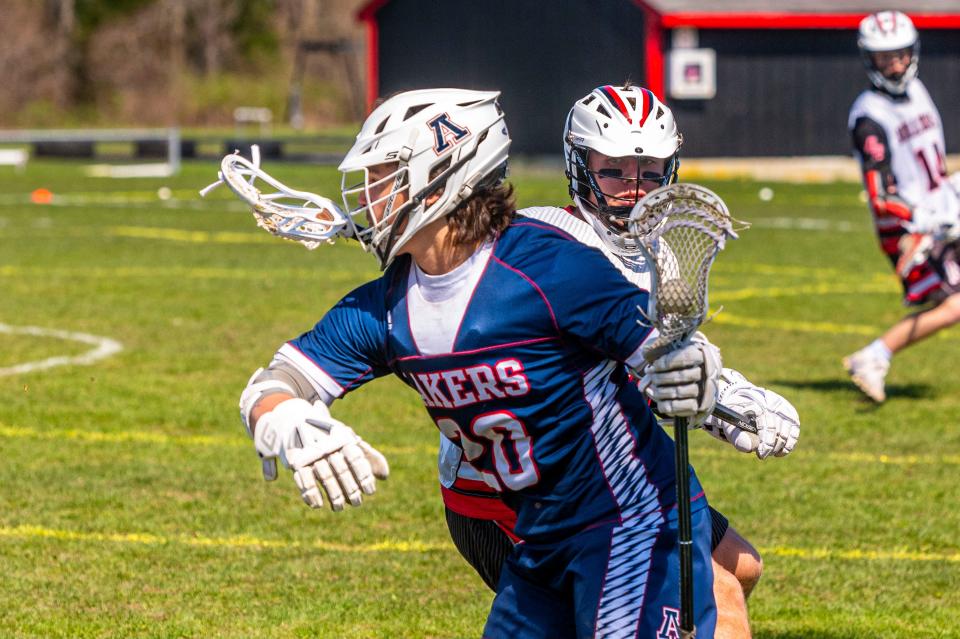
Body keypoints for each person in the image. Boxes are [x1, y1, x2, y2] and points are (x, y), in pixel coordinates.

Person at [238, 87, 724, 637]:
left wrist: (692, 369)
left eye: (383, 177)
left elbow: (659, 344)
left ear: (440, 182)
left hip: (633, 523)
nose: (366, 197)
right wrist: (283, 418)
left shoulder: (548, 266)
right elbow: (274, 381)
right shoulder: (387, 307)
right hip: (539, 538)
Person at [439, 84, 800, 639]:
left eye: (650, 171)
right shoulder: (545, 238)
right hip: (511, 485)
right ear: (578, 167)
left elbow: (661, 362)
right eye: (613, 172)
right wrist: (724, 404)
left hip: (607, 471)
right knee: (715, 591)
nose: (634, 191)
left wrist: (714, 388)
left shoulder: (660, 255)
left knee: (739, 566)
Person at [844, 10, 960, 403]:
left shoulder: (919, 91)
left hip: (944, 212)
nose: (894, 64)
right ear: (868, 59)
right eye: (883, 56)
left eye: (900, 54)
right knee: (955, 304)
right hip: (912, 229)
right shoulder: (869, 117)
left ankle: (874, 356)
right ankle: (873, 356)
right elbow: (882, 196)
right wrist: (928, 222)